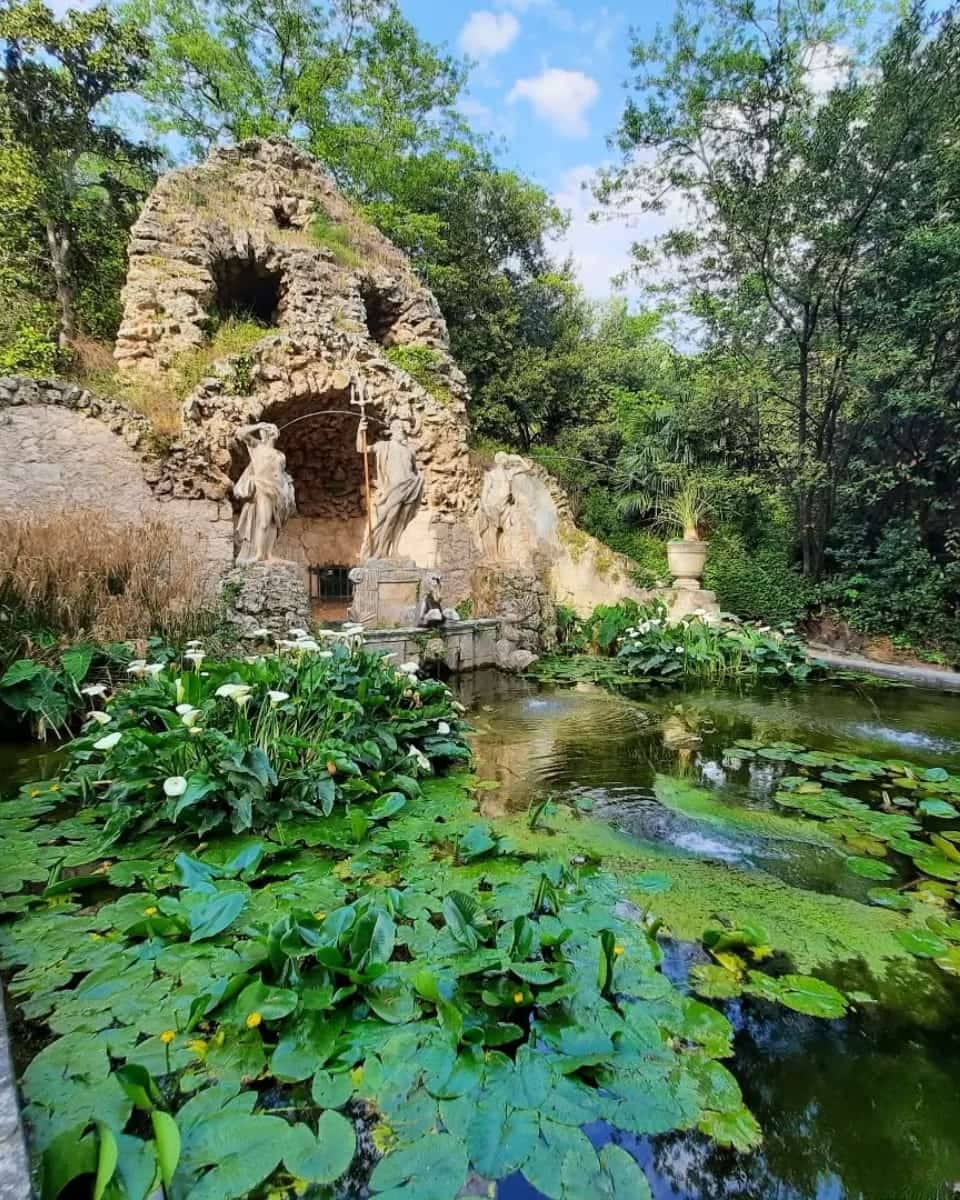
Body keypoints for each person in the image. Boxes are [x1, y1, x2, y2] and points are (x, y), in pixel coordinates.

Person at [357, 415, 424, 559]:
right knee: (389, 519)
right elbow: (361, 449)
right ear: (392, 430)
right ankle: (380, 551)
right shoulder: (384, 446)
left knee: (402, 520)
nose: (401, 430)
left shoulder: (410, 450)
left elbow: (414, 469)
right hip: (394, 489)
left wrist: (419, 478)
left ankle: (394, 551)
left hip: (410, 486)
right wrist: (360, 430)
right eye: (397, 427)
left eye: (402, 427)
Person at [234, 422, 297, 563]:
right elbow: (240, 433)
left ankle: (268, 554)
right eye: (267, 430)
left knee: (275, 523)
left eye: (272, 429)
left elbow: (281, 473)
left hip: (278, 491)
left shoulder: (280, 455)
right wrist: (259, 425)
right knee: (264, 521)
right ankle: (259, 555)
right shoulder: (257, 447)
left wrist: (288, 486)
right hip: (263, 488)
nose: (270, 432)